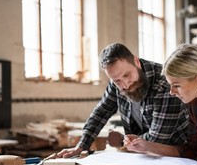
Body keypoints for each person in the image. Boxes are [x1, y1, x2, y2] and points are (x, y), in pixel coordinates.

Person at [57, 42, 189, 158]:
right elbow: (101, 113)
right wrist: (81, 146)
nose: (125, 84)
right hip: (142, 155)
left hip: (177, 155)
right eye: (117, 80)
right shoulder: (117, 83)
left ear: (136, 62)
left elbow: (157, 140)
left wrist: (122, 141)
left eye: (127, 75)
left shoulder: (164, 83)